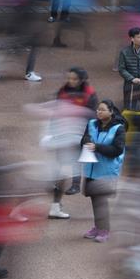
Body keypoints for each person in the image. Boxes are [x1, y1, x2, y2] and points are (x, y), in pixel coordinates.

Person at [45, 68, 98, 219]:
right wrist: (52, 131)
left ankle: (75, 185)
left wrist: (86, 136)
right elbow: (56, 111)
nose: (71, 81)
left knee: (77, 162)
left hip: (79, 134)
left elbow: (92, 116)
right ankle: (56, 200)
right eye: (69, 78)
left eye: (74, 79)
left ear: (81, 80)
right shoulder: (63, 91)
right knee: (61, 164)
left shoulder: (89, 94)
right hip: (63, 134)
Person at [80, 100, 127, 243]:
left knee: (101, 201)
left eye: (102, 110)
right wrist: (86, 140)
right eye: (98, 109)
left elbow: (117, 150)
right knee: (95, 200)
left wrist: (97, 147)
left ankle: (104, 230)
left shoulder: (118, 128)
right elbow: (83, 140)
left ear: (111, 112)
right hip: (91, 170)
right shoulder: (92, 124)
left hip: (106, 171)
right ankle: (98, 227)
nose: (98, 112)